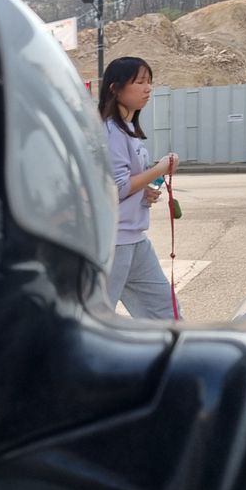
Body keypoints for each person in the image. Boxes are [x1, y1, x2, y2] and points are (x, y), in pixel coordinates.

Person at [99, 56, 181, 320]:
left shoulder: (129, 129)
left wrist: (145, 190)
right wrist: (160, 169)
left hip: (134, 239)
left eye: (149, 82)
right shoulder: (111, 131)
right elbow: (118, 187)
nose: (147, 88)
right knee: (96, 319)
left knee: (166, 312)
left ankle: (174, 357)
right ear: (115, 88)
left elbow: (127, 183)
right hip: (113, 244)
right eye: (139, 82)